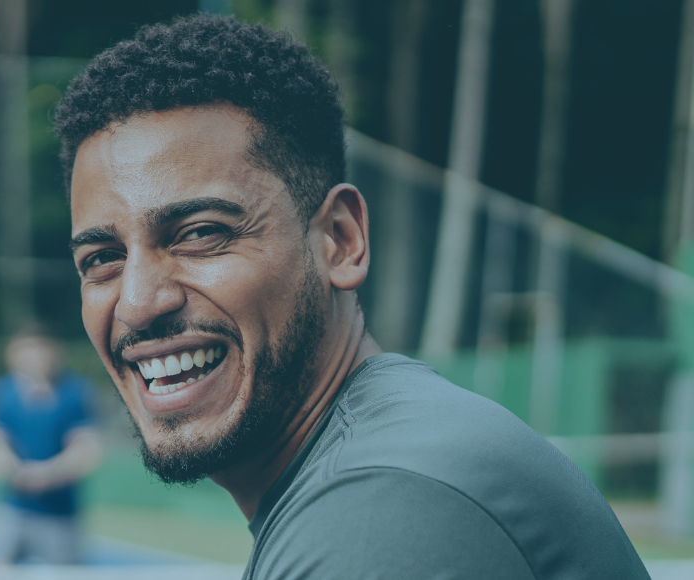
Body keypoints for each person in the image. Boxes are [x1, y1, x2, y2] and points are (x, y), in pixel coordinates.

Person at [54, 14, 648, 578]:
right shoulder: (381, 457)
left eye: (201, 234)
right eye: (102, 259)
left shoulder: (384, 505)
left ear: (340, 240)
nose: (137, 302)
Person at [0, 326, 103, 565]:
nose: (36, 357)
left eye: (41, 350)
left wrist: (48, 473)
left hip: (61, 517)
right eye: (28, 350)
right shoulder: (0, 393)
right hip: (10, 511)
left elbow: (86, 449)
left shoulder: (76, 394)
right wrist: (12, 469)